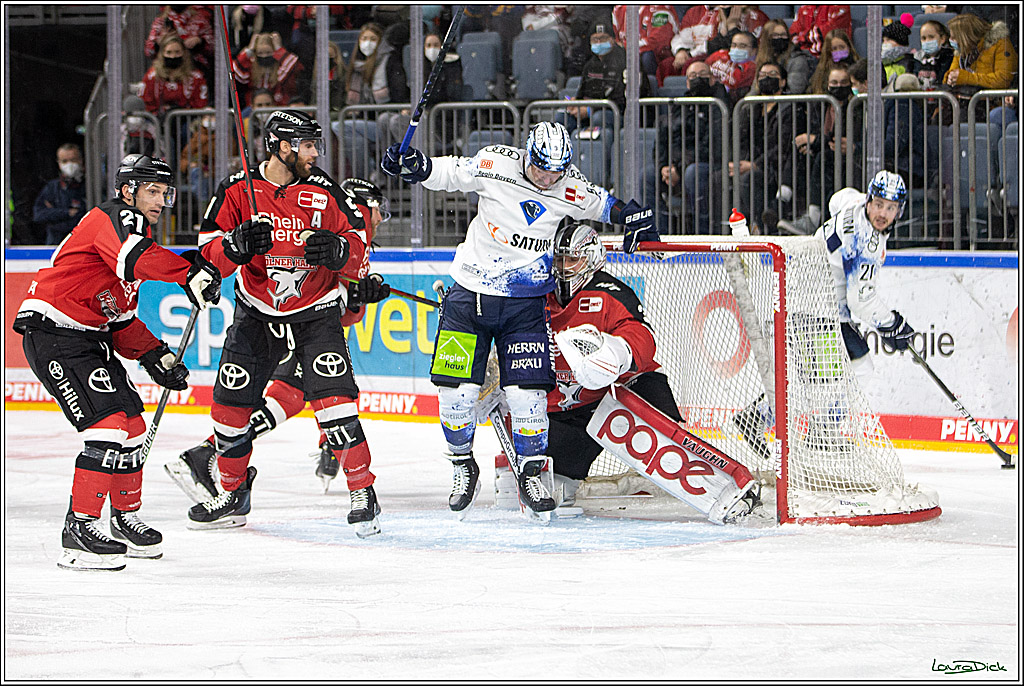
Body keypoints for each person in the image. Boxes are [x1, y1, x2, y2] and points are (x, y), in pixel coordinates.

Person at [380, 121, 660, 515]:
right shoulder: (495, 162)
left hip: (525, 304)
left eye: (557, 171)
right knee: (455, 395)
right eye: (543, 167)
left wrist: (633, 214)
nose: (549, 178)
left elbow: (608, 206)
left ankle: (530, 473)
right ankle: (462, 465)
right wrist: (415, 164)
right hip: (467, 298)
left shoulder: (569, 186)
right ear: (528, 155)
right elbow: (447, 173)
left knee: (527, 396)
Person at [13, 154, 222, 571]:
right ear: (128, 190)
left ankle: (124, 517)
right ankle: (79, 528)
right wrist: (187, 272)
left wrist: (154, 354)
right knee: (107, 426)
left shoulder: (133, 249)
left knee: (132, 426)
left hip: (89, 339)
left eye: (166, 192)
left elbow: (121, 321)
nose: (162, 201)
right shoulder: (113, 218)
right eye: (154, 191)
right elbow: (138, 255)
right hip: (54, 333)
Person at [183, 110, 380, 536]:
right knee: (228, 410)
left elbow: (360, 245)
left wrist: (339, 252)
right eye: (308, 145)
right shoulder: (237, 190)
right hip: (255, 311)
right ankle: (233, 494)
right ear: (283, 147)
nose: (315, 153)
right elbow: (205, 253)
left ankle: (363, 490)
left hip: (317, 311)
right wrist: (233, 246)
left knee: (335, 404)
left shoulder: (325, 190)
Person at [170, 178, 392, 498]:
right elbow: (344, 314)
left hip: (295, 321)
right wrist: (356, 298)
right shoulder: (351, 227)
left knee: (292, 394)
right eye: (378, 210)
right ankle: (210, 453)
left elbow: (344, 309)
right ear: (362, 205)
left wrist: (358, 296)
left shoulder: (335, 223)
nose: (380, 218)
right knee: (305, 393)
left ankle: (208, 453)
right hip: (300, 323)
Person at [734, 170, 915, 457]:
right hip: (819, 308)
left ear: (899, 210)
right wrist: (892, 324)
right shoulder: (865, 244)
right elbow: (861, 300)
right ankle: (821, 429)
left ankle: (761, 417)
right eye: (879, 203)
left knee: (813, 375)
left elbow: (835, 200)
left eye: (890, 207)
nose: (882, 213)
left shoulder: (852, 202)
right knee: (855, 368)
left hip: (804, 296)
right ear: (870, 200)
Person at [543, 220, 683, 504]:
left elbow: (642, 336)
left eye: (572, 258)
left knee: (651, 388)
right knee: (552, 489)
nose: (563, 267)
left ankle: (680, 456)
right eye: (559, 259)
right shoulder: (537, 294)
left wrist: (617, 353)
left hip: (616, 395)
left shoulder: (610, 292)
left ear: (591, 259)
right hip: (568, 408)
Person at [648, 60, 729, 232]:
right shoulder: (679, 106)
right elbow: (663, 140)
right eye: (693, 76)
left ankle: (703, 233)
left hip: (708, 164)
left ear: (712, 79)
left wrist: (678, 167)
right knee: (647, 176)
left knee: (693, 173)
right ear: (686, 81)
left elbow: (711, 145)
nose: (697, 79)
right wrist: (664, 166)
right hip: (679, 165)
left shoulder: (718, 106)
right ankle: (657, 234)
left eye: (702, 75)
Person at [778, 64, 857, 234]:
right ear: (827, 85)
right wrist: (811, 144)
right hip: (822, 153)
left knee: (822, 156)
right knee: (799, 149)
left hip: (842, 160)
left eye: (844, 82)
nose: (838, 87)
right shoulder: (821, 107)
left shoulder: (854, 107)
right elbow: (816, 134)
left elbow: (838, 140)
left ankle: (812, 218)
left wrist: (815, 141)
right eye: (834, 82)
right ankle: (780, 201)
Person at [560, 16, 651, 134]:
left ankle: (606, 151)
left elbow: (623, 100)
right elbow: (583, 93)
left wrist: (590, 110)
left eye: (603, 39)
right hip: (595, 111)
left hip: (623, 115)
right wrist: (575, 103)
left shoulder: (627, 60)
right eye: (595, 39)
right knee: (562, 118)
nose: (598, 43)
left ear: (612, 39)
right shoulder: (590, 65)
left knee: (600, 117)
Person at [733, 62, 796, 231]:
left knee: (750, 178)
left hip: (776, 166)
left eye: (772, 74)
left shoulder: (789, 107)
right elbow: (742, 140)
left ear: (782, 81)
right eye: (762, 75)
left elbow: (783, 146)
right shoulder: (751, 107)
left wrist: (754, 164)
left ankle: (762, 229)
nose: (766, 78)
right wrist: (739, 162)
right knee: (719, 176)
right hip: (751, 162)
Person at [141, 34, 210, 121]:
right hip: (157, 122)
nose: (173, 56)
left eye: (177, 52)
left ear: (184, 53)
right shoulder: (151, 76)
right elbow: (146, 102)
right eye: (169, 52)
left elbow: (200, 105)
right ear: (162, 54)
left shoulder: (196, 77)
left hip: (187, 122)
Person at [944, 13, 1017, 91]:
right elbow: (954, 73)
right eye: (950, 37)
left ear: (967, 37)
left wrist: (968, 78)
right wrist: (949, 78)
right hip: (965, 99)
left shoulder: (1001, 44)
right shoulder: (961, 50)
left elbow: (1003, 80)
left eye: (954, 37)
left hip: (993, 101)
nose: (950, 40)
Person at [33, 143, 85, 245]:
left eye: (73, 160)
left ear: (81, 160)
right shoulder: (52, 188)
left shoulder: (91, 186)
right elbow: (39, 215)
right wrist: (66, 213)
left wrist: (55, 213)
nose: (69, 164)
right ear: (59, 163)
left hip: (82, 243)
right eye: (64, 161)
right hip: (55, 243)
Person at [233, 31, 304, 107]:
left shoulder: (282, 68)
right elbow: (235, 71)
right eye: (260, 53)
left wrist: (279, 49)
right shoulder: (250, 67)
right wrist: (249, 50)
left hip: (279, 107)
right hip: (253, 109)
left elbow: (294, 65)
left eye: (268, 52)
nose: (264, 56)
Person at [145, 5, 215, 78]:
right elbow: (149, 52)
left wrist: (200, 41)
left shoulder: (200, 20)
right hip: (166, 71)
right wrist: (160, 41)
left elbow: (214, 49)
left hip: (194, 70)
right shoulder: (160, 21)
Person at [611, 5, 680, 76]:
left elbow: (656, 41)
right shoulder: (619, 9)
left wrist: (627, 46)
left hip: (657, 56)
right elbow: (613, 38)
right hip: (629, 52)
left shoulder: (661, 8)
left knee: (646, 57)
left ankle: (651, 84)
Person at [753, 18, 815, 95]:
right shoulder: (762, 59)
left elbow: (794, 91)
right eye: (775, 35)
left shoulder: (797, 60)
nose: (780, 38)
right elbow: (754, 90)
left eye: (783, 35)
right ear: (767, 39)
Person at [705, 30, 758, 103]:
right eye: (734, 45)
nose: (736, 49)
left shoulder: (752, 68)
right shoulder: (719, 55)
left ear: (754, 50)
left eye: (742, 46)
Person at [807, 29, 859, 96]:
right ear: (828, 51)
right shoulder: (821, 71)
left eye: (842, 47)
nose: (839, 51)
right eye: (834, 49)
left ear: (849, 46)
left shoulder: (858, 67)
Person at [915, 19, 956, 91]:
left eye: (931, 37)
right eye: (923, 38)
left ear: (943, 38)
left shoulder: (949, 57)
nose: (927, 41)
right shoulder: (916, 58)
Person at [881, 14, 919, 86]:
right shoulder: (879, 64)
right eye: (883, 40)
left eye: (888, 40)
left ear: (900, 42)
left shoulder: (911, 64)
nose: (884, 44)